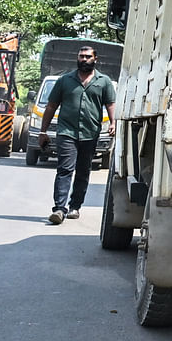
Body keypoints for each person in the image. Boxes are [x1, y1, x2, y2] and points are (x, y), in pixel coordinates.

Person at [40, 46, 116, 225]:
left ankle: (75, 206)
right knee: (65, 169)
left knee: (83, 171)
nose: (84, 59)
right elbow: (51, 106)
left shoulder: (103, 81)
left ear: (95, 59)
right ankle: (59, 208)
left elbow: (110, 104)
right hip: (67, 132)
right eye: (81, 56)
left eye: (88, 57)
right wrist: (43, 131)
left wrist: (113, 122)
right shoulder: (65, 80)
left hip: (90, 133)